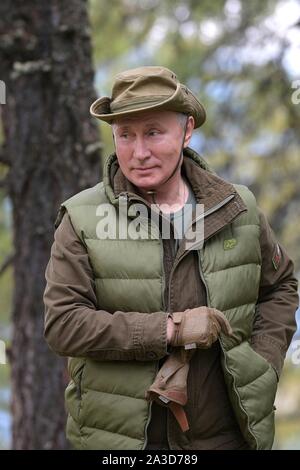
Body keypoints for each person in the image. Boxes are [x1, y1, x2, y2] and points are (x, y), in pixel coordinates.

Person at [43, 66, 299, 451]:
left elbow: (281, 287)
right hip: (122, 442)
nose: (138, 152)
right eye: (125, 135)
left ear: (187, 130)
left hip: (227, 436)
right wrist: (169, 330)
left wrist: (261, 365)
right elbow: (63, 323)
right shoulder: (82, 218)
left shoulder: (238, 208)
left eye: (153, 132)